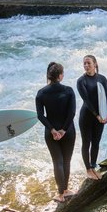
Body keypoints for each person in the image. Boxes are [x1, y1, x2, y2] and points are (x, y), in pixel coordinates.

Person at [35, 62, 76, 203]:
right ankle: (65, 190)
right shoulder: (69, 91)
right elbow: (72, 113)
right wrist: (63, 130)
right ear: (60, 76)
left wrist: (53, 130)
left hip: (51, 133)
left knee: (57, 162)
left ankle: (60, 194)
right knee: (66, 161)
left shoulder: (41, 93)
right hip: (68, 131)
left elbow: (40, 116)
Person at [77, 55, 107, 180]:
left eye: (88, 63)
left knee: (96, 142)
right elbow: (86, 100)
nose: (86, 65)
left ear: (95, 64)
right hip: (87, 116)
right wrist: (97, 115)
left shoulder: (102, 79)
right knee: (86, 142)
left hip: (101, 117)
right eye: (84, 63)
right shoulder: (81, 81)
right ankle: (88, 169)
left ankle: (93, 166)